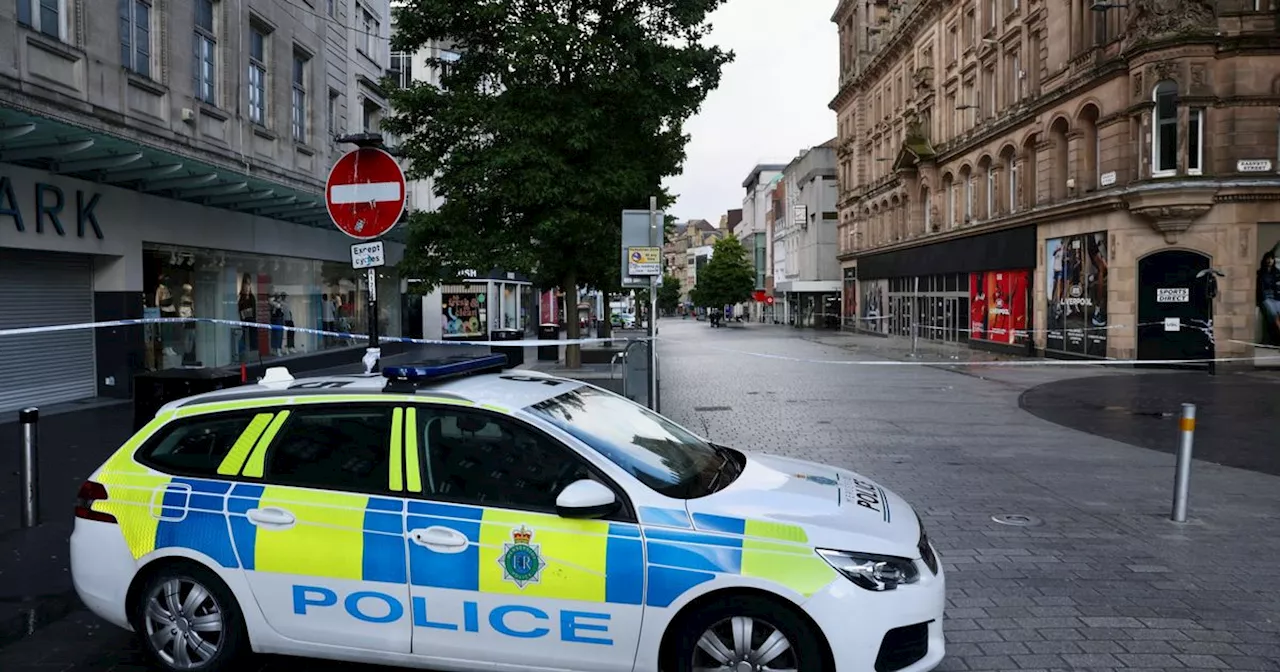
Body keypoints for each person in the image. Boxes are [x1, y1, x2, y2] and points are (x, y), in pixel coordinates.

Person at [1257, 251, 1280, 344]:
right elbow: (1260, 290)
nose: (1270, 260)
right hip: (1266, 297)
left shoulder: (1277, 272)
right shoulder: (1261, 273)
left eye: (1271, 258)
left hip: (1276, 297)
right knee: (1274, 315)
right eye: (1268, 258)